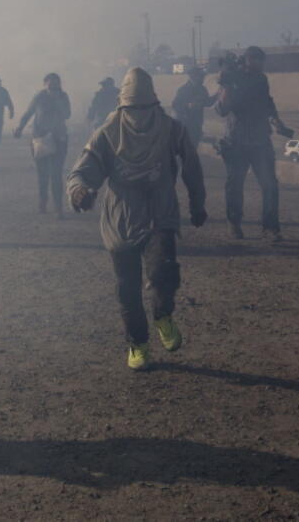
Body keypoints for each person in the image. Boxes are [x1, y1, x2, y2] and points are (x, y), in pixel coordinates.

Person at [67, 67, 207, 371]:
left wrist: (198, 203)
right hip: (121, 217)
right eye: (133, 109)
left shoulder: (172, 129)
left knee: (164, 273)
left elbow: (192, 165)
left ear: (153, 105)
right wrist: (80, 192)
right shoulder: (107, 133)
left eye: (144, 108)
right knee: (127, 288)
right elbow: (84, 168)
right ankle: (138, 344)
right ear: (123, 107)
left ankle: (163, 314)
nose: (139, 116)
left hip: (160, 211)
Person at [216, 46, 287, 241]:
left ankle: (270, 228)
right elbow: (221, 109)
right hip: (236, 141)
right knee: (235, 185)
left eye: (261, 60)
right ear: (246, 60)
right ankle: (234, 224)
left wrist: (275, 120)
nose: (259, 64)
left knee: (270, 185)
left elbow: (267, 102)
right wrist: (226, 85)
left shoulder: (261, 80)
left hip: (260, 141)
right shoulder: (231, 78)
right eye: (255, 59)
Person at [15, 73, 72, 217]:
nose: (53, 86)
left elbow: (67, 114)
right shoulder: (40, 97)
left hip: (58, 138)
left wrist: (58, 101)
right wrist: (19, 128)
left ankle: (58, 207)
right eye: (50, 84)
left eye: (56, 84)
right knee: (42, 174)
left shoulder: (63, 97)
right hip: (40, 139)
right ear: (45, 84)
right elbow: (28, 113)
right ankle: (43, 201)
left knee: (56, 174)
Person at [170, 66, 217, 146]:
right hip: (185, 126)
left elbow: (207, 102)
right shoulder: (183, 90)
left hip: (197, 125)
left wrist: (218, 95)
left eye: (203, 76)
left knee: (194, 147)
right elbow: (175, 105)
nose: (203, 78)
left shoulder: (202, 89)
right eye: (201, 76)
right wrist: (188, 105)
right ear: (193, 77)